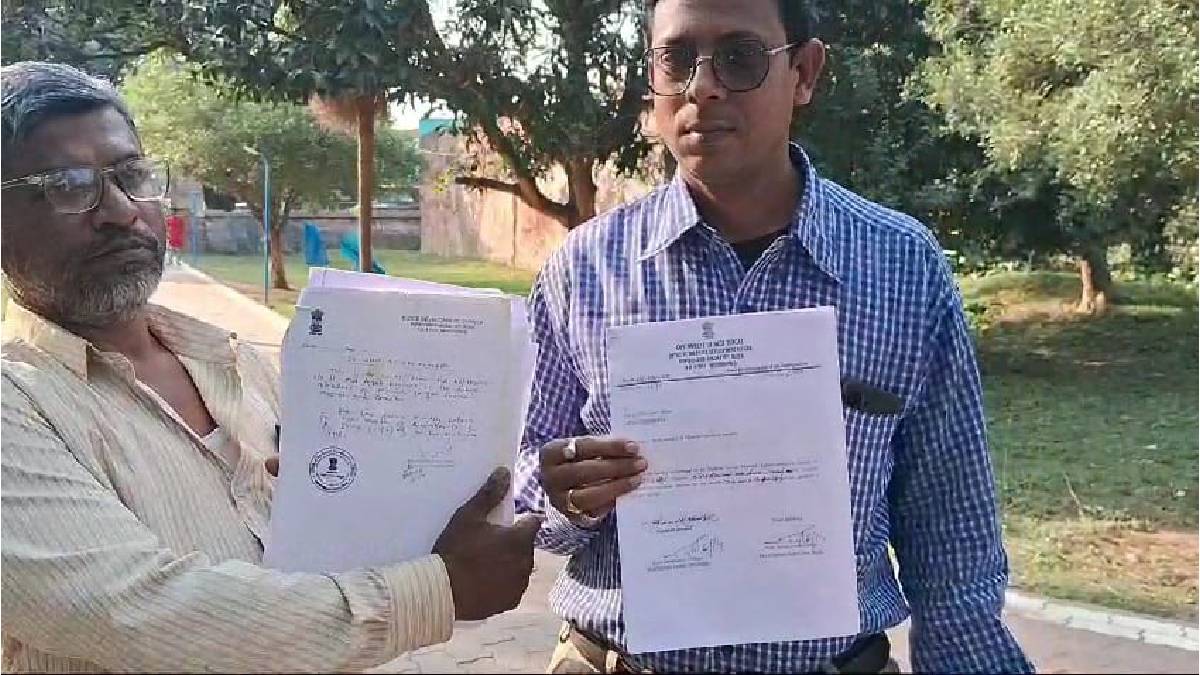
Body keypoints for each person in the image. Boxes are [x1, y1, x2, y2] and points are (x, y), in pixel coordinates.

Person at [513, 0, 1034, 672]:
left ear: (804, 73)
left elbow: (951, 532)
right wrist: (563, 495)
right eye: (676, 58)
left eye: (739, 57)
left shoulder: (901, 267)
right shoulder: (583, 271)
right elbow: (522, 489)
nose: (703, 86)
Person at [0, 61, 540, 673]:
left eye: (131, 175)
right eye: (69, 186)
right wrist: (440, 588)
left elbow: (322, 546)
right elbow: (144, 612)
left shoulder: (235, 363)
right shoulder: (20, 405)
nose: (122, 210)